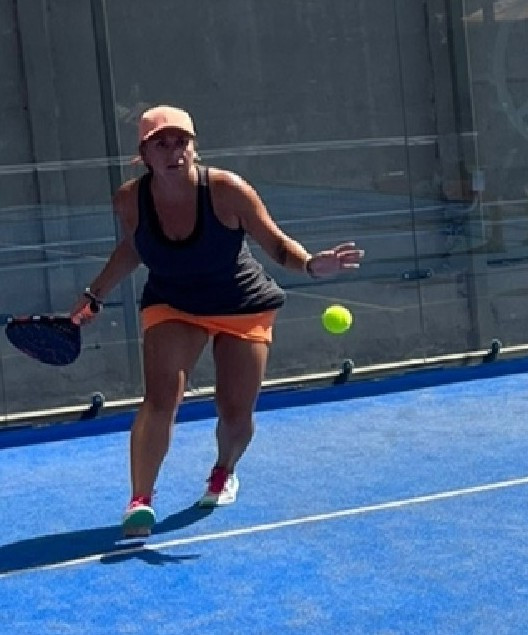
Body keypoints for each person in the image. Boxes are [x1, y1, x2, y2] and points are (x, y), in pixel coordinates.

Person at [71, 105, 364, 538]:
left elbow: (275, 244)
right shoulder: (129, 200)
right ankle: (140, 501)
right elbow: (135, 246)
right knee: (160, 398)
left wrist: (309, 265)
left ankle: (223, 470)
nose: (174, 151)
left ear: (194, 147)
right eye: (161, 144)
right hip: (173, 302)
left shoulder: (227, 190)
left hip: (241, 303)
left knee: (235, 412)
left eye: (181, 142)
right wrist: (94, 295)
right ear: (144, 155)